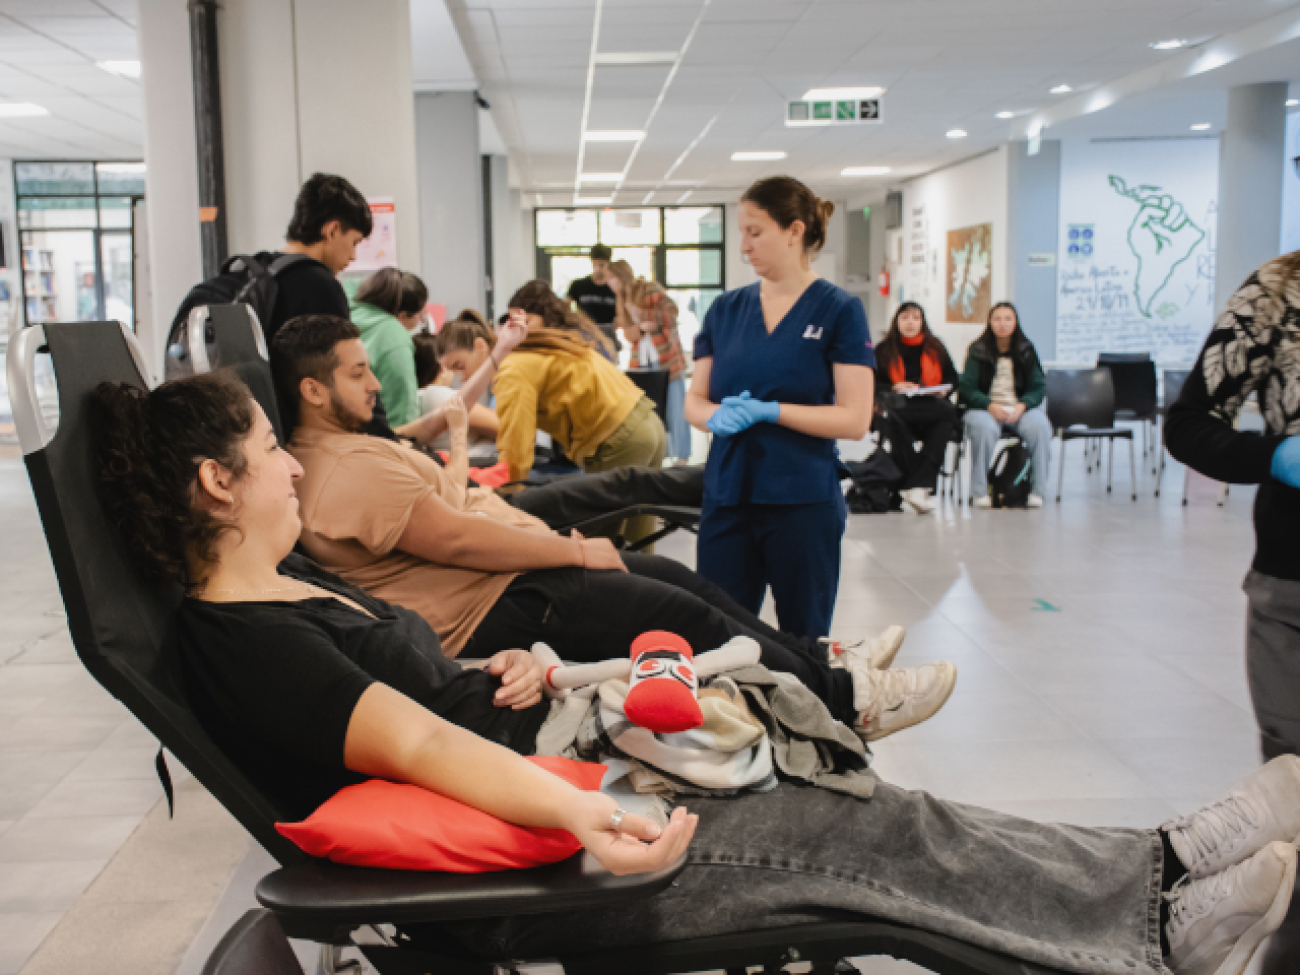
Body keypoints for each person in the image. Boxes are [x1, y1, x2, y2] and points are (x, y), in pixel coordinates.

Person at [90, 370, 1300, 975]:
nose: (295, 468)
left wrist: (508, 659)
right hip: (559, 851)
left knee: (870, 810)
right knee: (869, 839)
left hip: (562, 764)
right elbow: (420, 746)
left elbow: (420, 697)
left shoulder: (293, 585)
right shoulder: (243, 638)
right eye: (271, 453)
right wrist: (587, 815)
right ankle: (1155, 923)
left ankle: (1160, 868)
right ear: (216, 484)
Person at [269, 315, 955, 743]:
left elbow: (448, 507)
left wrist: (454, 439)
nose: (375, 383)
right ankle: (851, 701)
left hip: (507, 572)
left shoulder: (353, 447)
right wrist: (569, 550)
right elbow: (456, 540)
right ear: (313, 389)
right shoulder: (345, 467)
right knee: (683, 615)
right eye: (358, 373)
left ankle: (819, 660)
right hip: (496, 595)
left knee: (681, 582)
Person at [1166, 250, 1300, 973]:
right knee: (1296, 811)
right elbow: (1189, 423)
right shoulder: (1276, 294)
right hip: (1293, 589)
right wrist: (1275, 454)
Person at [684, 176, 875, 645]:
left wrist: (773, 411)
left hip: (801, 501)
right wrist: (712, 417)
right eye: (741, 233)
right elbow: (695, 399)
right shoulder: (725, 310)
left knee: (803, 641)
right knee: (718, 637)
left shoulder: (839, 310)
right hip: (729, 497)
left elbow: (855, 419)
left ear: (794, 231)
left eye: (755, 232)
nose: (744, 247)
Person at [492, 281, 662, 485]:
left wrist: (508, 494)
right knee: (641, 505)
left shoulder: (516, 365)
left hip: (618, 437)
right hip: (648, 422)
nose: (518, 329)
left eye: (525, 321)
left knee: (607, 507)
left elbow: (516, 448)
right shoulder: (564, 344)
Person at [958, 301, 1051, 508]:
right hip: (985, 409)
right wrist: (988, 404)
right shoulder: (977, 349)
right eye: (997, 319)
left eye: (1008, 319)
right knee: (984, 428)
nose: (1002, 324)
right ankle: (980, 492)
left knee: (1040, 426)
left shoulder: (1027, 350)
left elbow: (1038, 387)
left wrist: (1023, 405)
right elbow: (967, 388)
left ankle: (1037, 491)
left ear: (1015, 322)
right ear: (990, 322)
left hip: (1019, 409)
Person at [872, 301, 961, 514]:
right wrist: (895, 387)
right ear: (896, 321)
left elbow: (953, 378)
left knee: (944, 422)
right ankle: (919, 485)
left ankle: (913, 486)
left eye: (915, 318)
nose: (910, 322)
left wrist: (943, 391)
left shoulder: (936, 347)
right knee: (942, 416)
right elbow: (872, 383)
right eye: (905, 318)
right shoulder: (884, 349)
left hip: (930, 405)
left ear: (922, 322)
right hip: (898, 407)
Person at [265, 173, 374, 347]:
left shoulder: (256, 269)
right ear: (332, 230)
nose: (353, 256)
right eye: (354, 242)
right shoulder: (323, 288)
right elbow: (341, 361)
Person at [609, 260, 693, 465]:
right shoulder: (621, 299)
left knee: (676, 409)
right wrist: (640, 328)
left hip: (667, 359)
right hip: (642, 362)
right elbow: (629, 334)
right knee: (647, 413)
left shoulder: (648, 289)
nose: (609, 283)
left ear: (620, 276)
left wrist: (645, 319)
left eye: (611, 278)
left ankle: (682, 458)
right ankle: (655, 456)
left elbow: (670, 311)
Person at [347, 267, 428, 426]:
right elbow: (403, 411)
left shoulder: (345, 310)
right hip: (373, 432)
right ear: (402, 315)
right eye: (420, 315)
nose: (423, 321)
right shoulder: (393, 337)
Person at [567, 243, 620, 353]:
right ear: (592, 262)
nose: (598, 268)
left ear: (608, 264)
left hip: (608, 337)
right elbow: (564, 307)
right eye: (596, 264)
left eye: (602, 265)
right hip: (585, 335)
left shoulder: (615, 288)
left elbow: (623, 315)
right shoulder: (578, 285)